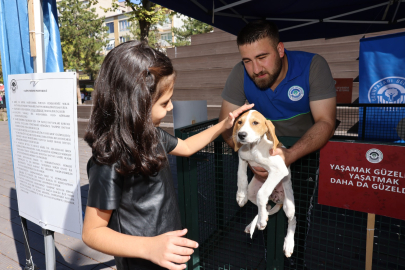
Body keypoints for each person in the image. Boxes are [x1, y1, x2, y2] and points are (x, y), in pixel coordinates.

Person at [82, 41, 253, 270]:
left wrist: (225, 124)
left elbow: (188, 146)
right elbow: (92, 232)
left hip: (168, 253)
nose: (171, 107)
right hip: (143, 262)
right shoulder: (109, 159)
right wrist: (150, 247)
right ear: (137, 103)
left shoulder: (151, 134)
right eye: (164, 102)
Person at [219, 20, 336, 180]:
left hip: (304, 156)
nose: (256, 69)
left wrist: (290, 154)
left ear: (280, 50)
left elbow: (326, 122)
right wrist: (251, 158)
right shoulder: (240, 73)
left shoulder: (313, 66)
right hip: (260, 158)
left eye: (262, 57)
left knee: (297, 203)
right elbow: (226, 125)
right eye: (247, 61)